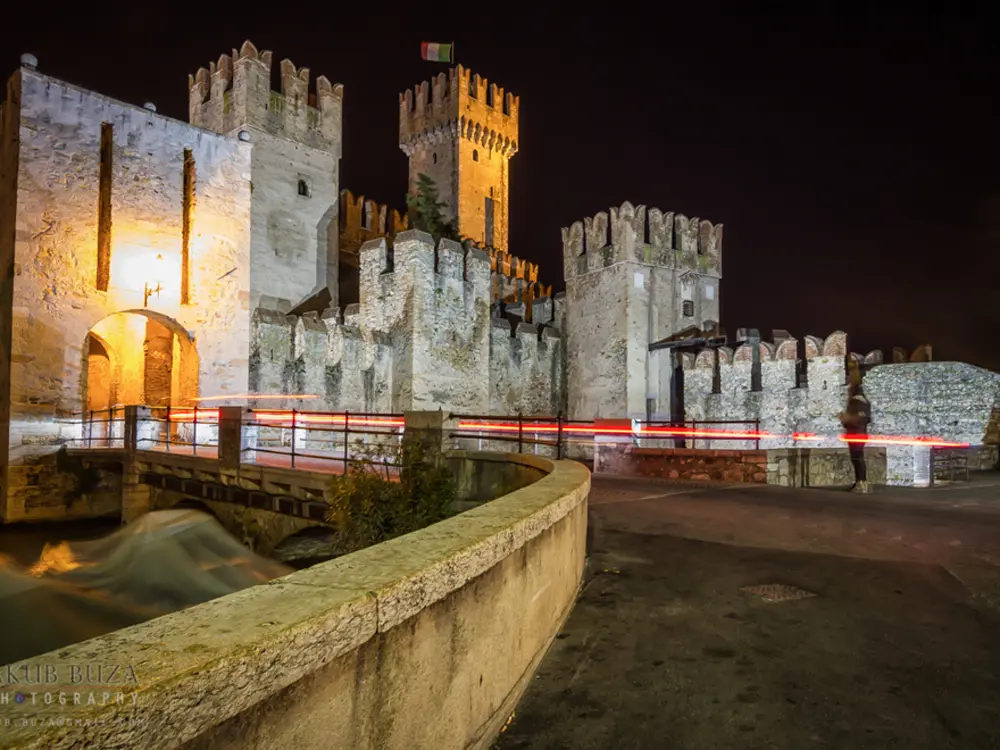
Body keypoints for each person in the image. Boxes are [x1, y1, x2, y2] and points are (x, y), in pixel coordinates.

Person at [839, 383, 872, 493]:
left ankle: (861, 483)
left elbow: (856, 419)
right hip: (861, 434)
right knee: (859, 458)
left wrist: (845, 419)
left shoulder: (855, 403)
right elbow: (866, 419)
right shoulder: (865, 403)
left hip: (855, 434)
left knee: (857, 459)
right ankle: (862, 482)